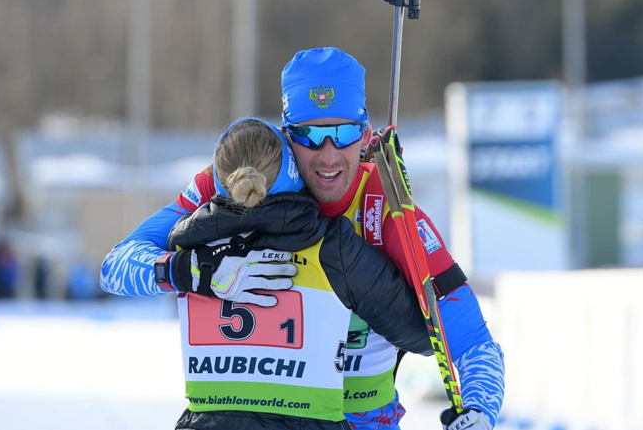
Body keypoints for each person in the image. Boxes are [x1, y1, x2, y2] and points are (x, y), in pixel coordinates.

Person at [102, 47, 504, 430]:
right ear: (286, 136)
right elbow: (116, 266)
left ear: (366, 136)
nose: (328, 156)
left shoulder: (385, 207)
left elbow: (473, 342)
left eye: (343, 133)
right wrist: (184, 270)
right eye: (310, 136)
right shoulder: (241, 177)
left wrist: (480, 410)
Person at [104, 117, 433, 430]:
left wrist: (188, 270)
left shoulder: (189, 238)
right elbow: (424, 334)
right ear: (294, 174)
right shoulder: (333, 247)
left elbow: (114, 268)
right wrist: (374, 177)